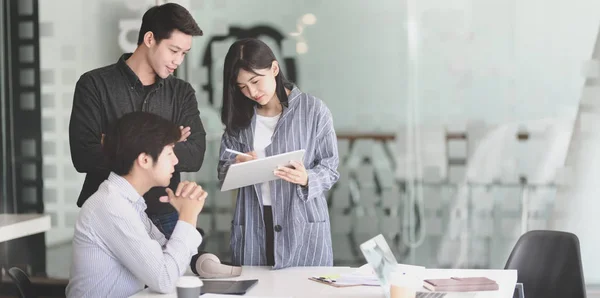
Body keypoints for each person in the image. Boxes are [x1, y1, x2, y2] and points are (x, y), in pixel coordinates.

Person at [68, 3, 206, 239]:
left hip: (165, 211)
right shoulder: (94, 85)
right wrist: (166, 145)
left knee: (171, 276)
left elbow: (195, 154)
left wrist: (114, 143)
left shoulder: (181, 92)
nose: (178, 61)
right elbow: (83, 155)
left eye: (184, 53)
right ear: (150, 39)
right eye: (174, 50)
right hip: (107, 212)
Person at [217, 38, 340, 269]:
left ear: (274, 69)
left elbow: (330, 169)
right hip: (254, 222)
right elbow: (223, 171)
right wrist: (235, 165)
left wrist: (307, 178)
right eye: (242, 86)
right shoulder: (240, 119)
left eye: (255, 81)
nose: (251, 92)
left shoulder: (313, 110)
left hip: (301, 223)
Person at [66, 112, 208, 298]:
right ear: (145, 160)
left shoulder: (129, 201)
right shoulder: (111, 206)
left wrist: (186, 215)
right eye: (170, 152)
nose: (176, 160)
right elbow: (164, 278)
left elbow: (167, 256)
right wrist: (187, 217)